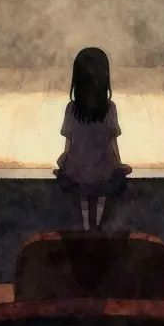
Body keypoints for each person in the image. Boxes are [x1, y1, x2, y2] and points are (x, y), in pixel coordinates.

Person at [54, 47, 131, 230]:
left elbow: (68, 143)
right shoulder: (110, 108)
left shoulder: (71, 109)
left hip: (78, 171)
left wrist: (64, 161)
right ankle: (96, 225)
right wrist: (119, 164)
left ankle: (87, 225)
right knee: (103, 191)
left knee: (82, 195)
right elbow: (112, 141)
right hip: (103, 170)